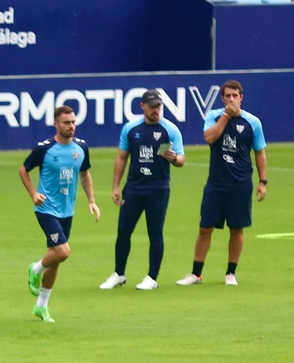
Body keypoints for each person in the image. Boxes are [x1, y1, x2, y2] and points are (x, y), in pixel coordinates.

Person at [179, 80, 266, 287]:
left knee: (237, 229)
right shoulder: (214, 116)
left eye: (235, 96)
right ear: (222, 98)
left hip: (241, 184)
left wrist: (263, 181)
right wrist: (226, 116)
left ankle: (230, 273)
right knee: (204, 228)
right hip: (216, 183)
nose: (231, 99)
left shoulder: (252, 122)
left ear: (241, 98)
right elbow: (209, 137)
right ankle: (196, 274)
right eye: (227, 96)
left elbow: (260, 153)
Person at [21, 105, 101, 322]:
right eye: (66, 123)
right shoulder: (44, 149)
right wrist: (33, 194)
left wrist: (92, 201)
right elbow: (23, 170)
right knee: (63, 252)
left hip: (67, 211)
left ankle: (41, 306)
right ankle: (35, 269)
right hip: (46, 209)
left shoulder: (81, 148)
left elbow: (85, 175)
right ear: (56, 124)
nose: (71, 126)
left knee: (55, 259)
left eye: (73, 122)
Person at [102, 90, 185, 292]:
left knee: (155, 233)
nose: (156, 110)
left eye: (159, 106)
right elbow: (122, 157)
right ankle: (119, 274)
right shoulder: (131, 129)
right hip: (133, 188)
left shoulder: (170, 130)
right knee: (123, 231)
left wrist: (173, 158)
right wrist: (115, 186)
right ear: (142, 106)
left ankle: (152, 277)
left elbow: (181, 159)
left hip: (158, 188)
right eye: (152, 106)